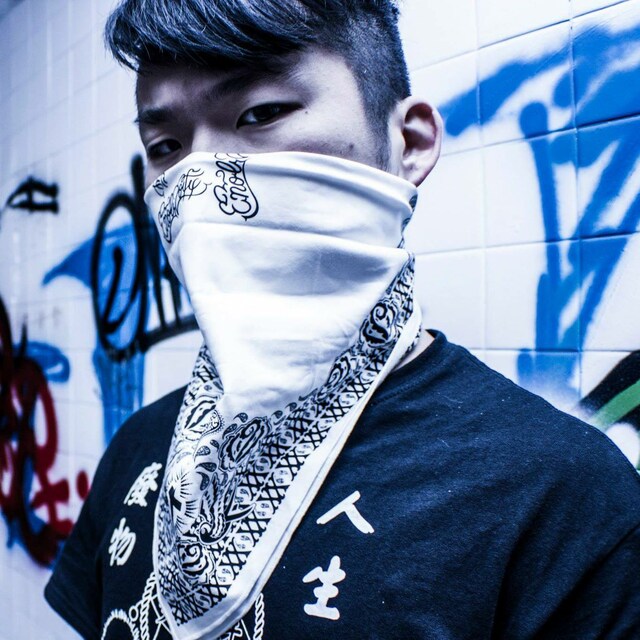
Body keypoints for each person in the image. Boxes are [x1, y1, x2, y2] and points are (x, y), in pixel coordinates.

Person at [45, 1, 640, 639]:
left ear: (410, 142)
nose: (199, 180)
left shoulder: (562, 497)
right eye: (166, 147)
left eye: (261, 113)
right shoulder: (141, 447)